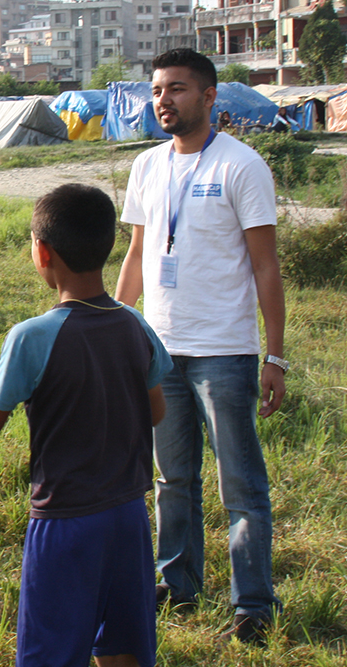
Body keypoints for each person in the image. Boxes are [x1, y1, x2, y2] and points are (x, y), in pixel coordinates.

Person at [0, 184, 172, 667]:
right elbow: (156, 412)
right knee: (124, 642)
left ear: (42, 252)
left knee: (51, 651)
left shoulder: (32, 336)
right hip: (129, 516)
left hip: (65, 523)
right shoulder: (135, 323)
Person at [116, 48, 286, 645]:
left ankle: (253, 604)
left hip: (224, 352)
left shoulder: (242, 166)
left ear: (210, 97)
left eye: (178, 90)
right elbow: (138, 253)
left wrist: (275, 355)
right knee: (170, 479)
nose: (164, 100)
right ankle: (178, 583)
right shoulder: (146, 167)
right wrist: (114, 325)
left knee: (240, 483)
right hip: (160, 349)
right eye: (158, 90)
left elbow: (266, 267)